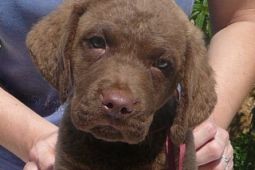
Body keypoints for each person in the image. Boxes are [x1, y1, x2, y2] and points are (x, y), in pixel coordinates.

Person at [0, 0, 254, 169]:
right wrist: (37, 141)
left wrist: (201, 129)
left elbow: (244, 16)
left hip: (159, 142)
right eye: (97, 43)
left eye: (161, 64)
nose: (118, 99)